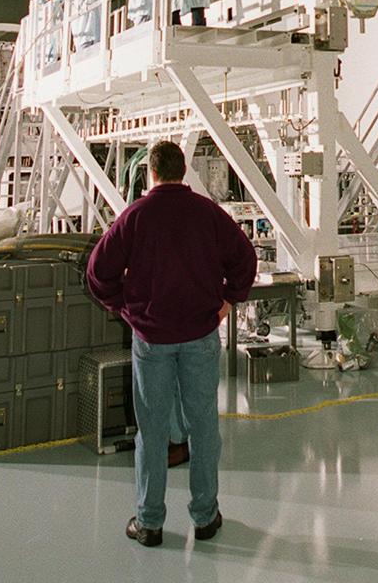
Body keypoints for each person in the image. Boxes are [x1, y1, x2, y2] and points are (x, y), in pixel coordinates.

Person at [86, 139, 258, 548]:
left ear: (151, 173)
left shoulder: (135, 216)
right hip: (200, 335)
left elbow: (98, 272)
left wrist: (124, 309)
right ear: (184, 171)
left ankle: (149, 523)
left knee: (152, 428)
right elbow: (245, 258)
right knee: (204, 427)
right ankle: (205, 516)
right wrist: (228, 301)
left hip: (152, 340)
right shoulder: (208, 213)